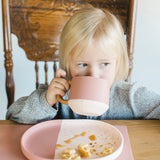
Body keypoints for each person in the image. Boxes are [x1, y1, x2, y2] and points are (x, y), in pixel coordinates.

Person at [6, 7, 160, 124]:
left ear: (117, 63)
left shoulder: (131, 97)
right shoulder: (57, 96)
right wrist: (45, 102)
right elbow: (12, 116)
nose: (93, 74)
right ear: (67, 64)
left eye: (105, 64)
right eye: (82, 64)